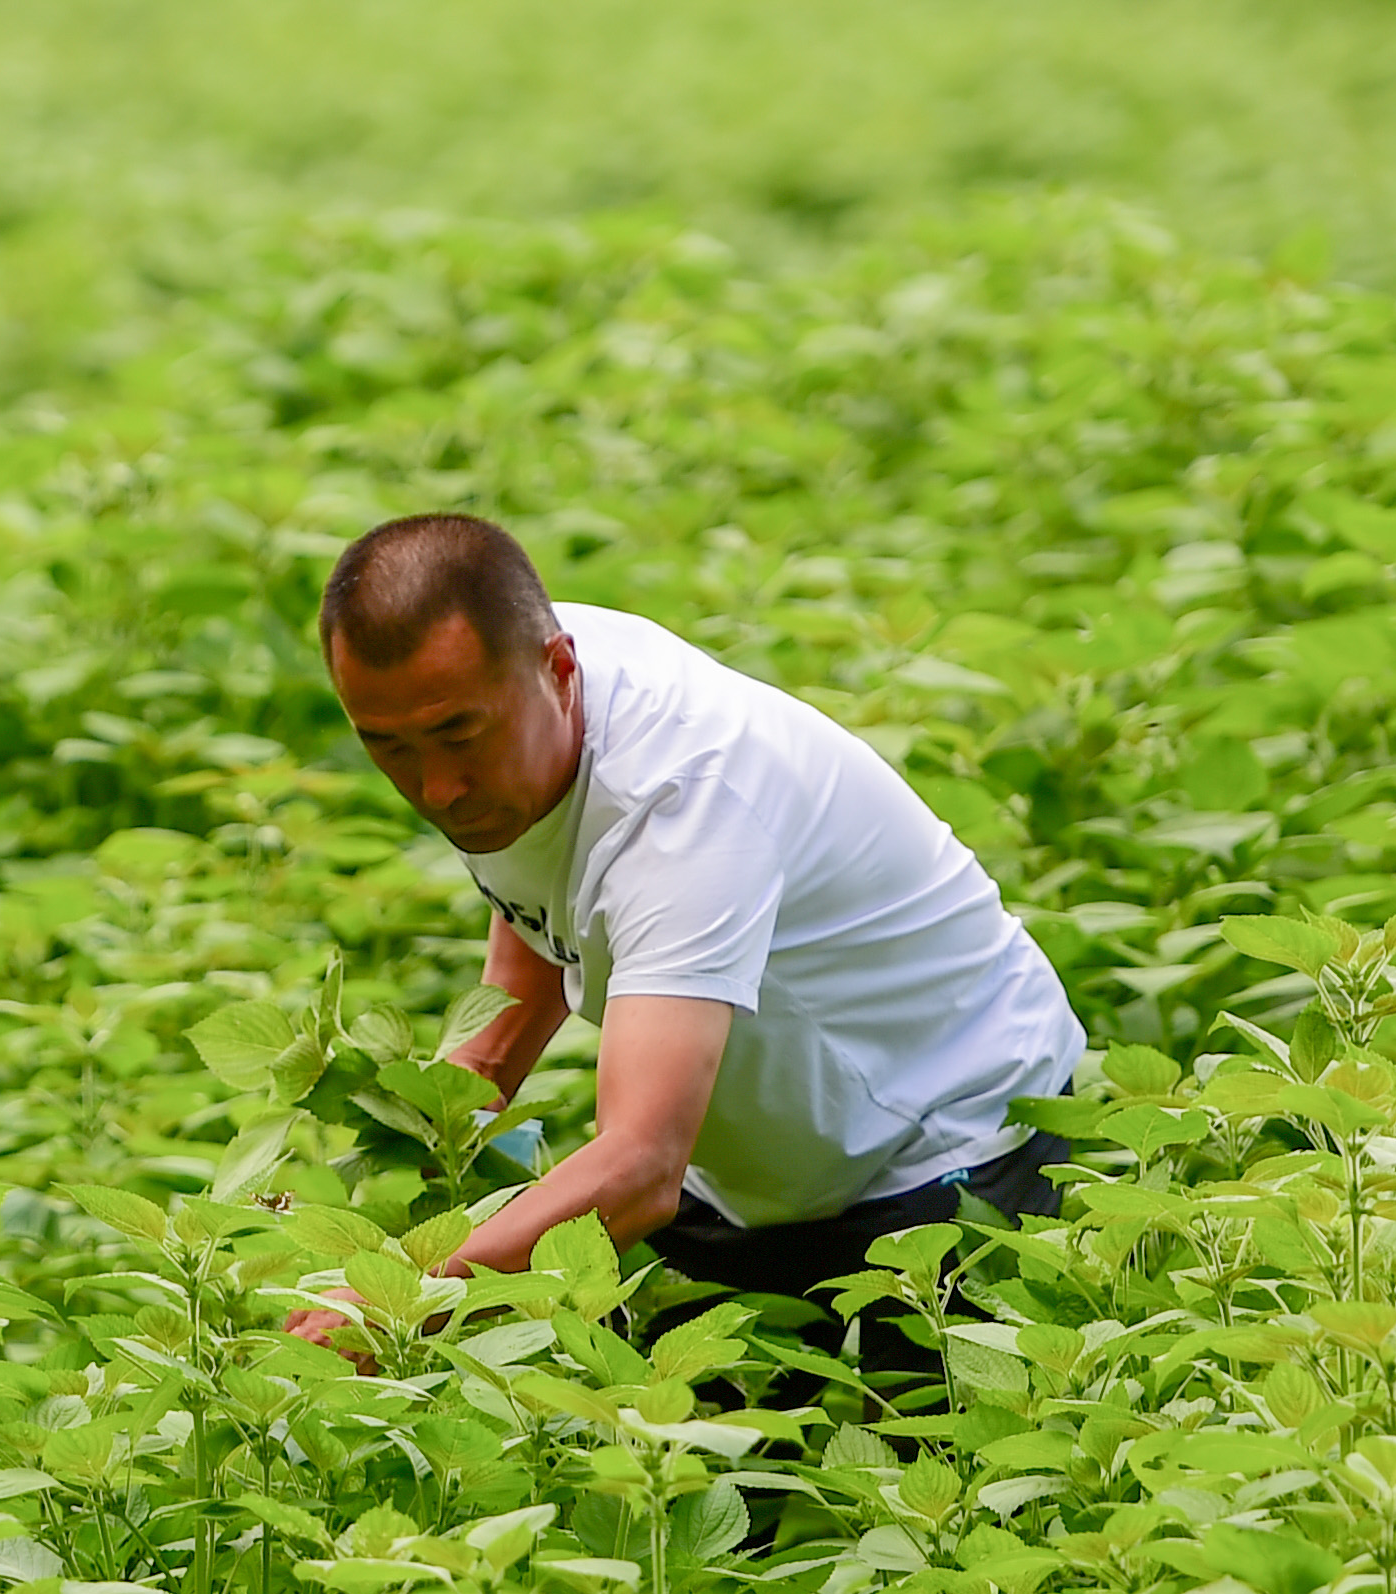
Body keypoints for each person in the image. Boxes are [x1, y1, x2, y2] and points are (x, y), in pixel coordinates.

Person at [287, 512, 1083, 1377]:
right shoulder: (497, 692)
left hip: (942, 1144)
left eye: (456, 738)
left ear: (559, 671)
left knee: (895, 1482)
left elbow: (637, 1169)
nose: (435, 787)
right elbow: (546, 895)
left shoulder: (686, 807)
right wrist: (448, 1114)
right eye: (387, 747)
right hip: (749, 1169)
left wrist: (405, 1298)